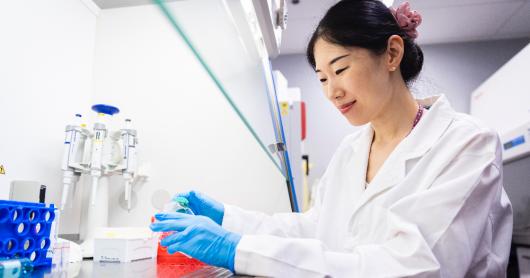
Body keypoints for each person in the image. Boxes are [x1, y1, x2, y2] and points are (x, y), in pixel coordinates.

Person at [150, 1, 513, 276]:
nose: (332, 92)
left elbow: (416, 267)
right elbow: (316, 228)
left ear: (392, 53)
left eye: (340, 69)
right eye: (323, 78)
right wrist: (227, 219)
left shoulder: (466, 144)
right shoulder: (352, 150)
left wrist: (236, 248)